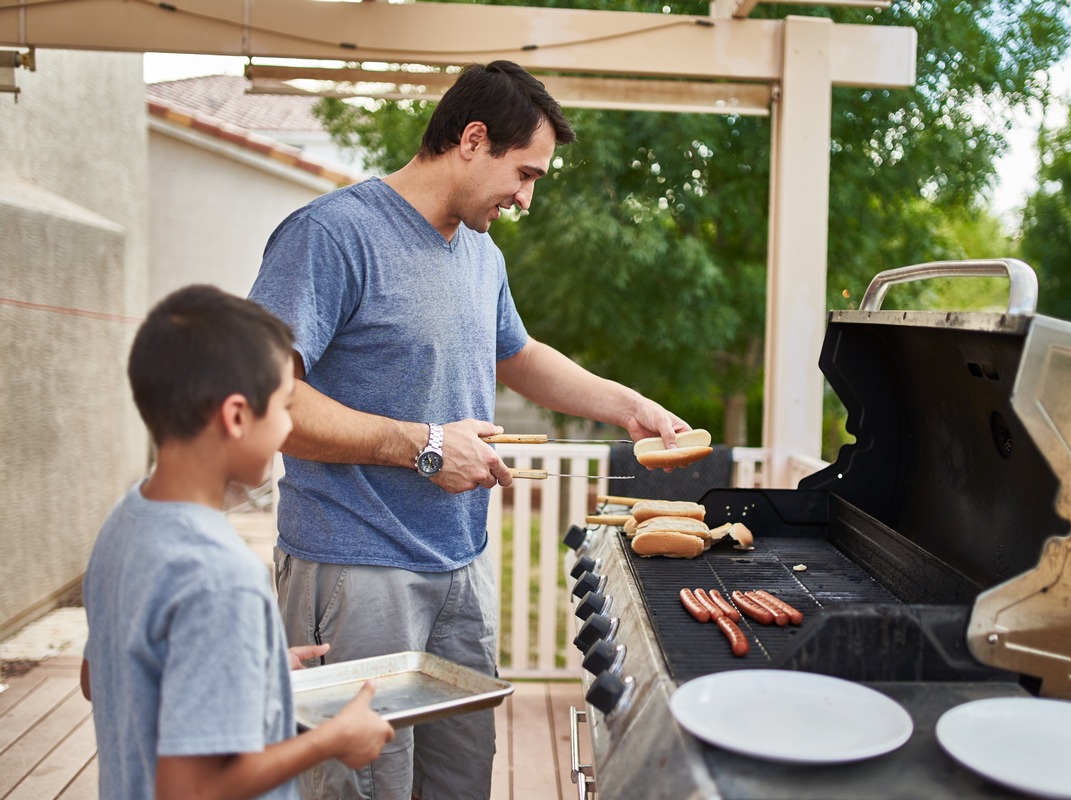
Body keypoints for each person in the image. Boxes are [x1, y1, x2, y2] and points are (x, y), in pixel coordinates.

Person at [248, 60, 690, 799]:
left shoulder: (481, 254)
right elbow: (270, 399)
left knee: (460, 783)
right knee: (363, 787)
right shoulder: (331, 235)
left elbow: (518, 356)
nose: (526, 196)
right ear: (472, 139)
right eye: (525, 174)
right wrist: (423, 445)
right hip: (357, 568)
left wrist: (628, 406)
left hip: (461, 568)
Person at [80, 285, 395, 800]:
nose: (289, 426)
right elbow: (192, 790)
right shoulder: (222, 578)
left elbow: (102, 678)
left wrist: (255, 663)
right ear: (235, 416)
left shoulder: (125, 523)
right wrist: (332, 739)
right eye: (283, 407)